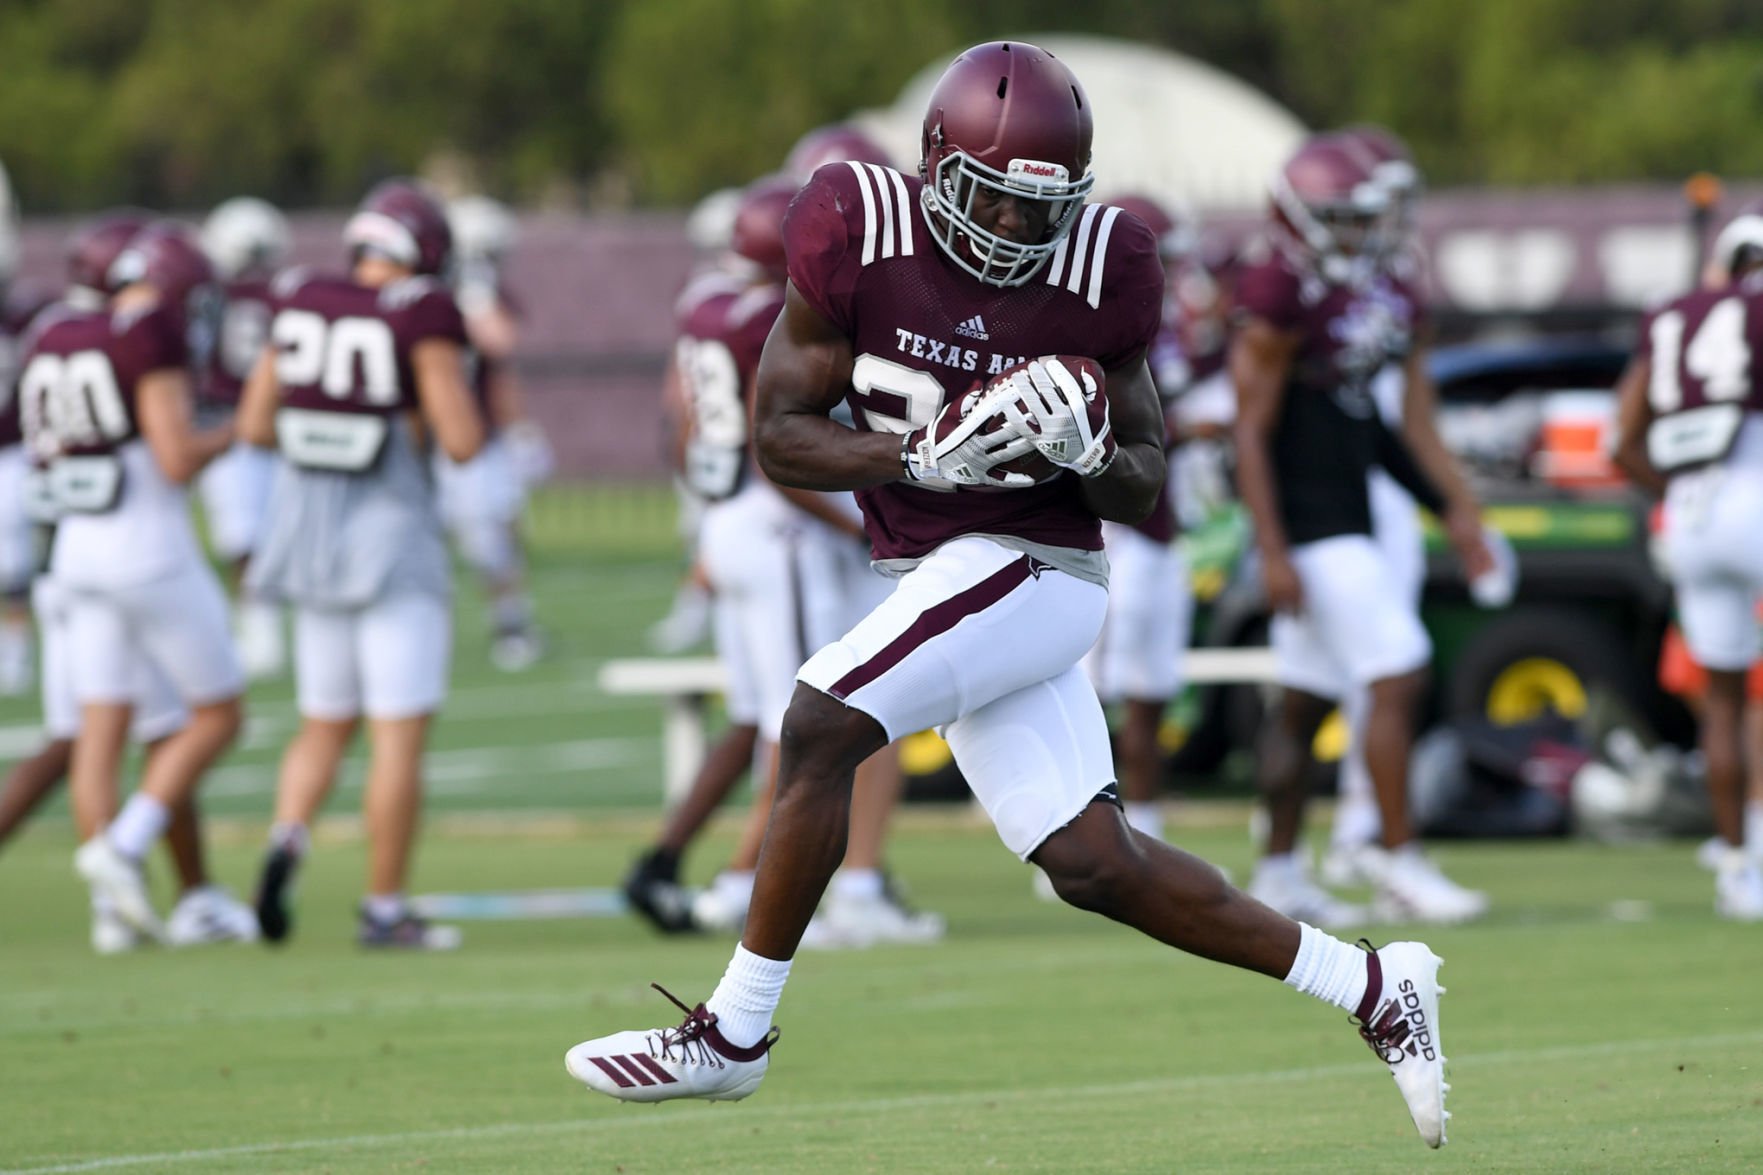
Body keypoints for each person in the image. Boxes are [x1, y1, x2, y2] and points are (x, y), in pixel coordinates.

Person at [565, 42, 1452, 1150]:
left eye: (1045, 207)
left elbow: (1139, 478)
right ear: (935, 165)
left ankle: (733, 1031)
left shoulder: (1102, 263)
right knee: (1093, 865)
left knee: (818, 716)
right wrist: (915, 454)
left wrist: (1084, 447)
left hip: (1032, 567)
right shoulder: (851, 222)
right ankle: (1371, 983)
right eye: (993, 199)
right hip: (935, 560)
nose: (1018, 232)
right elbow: (780, 436)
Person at [625, 172, 942, 948]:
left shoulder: (705, 303)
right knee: (806, 719)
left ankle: (729, 874)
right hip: (780, 527)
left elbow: (684, 428)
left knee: (775, 713)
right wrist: (856, 524)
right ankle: (748, 885)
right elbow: (781, 452)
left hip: (726, 516)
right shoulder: (773, 312)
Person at [1232, 132, 1492, 928]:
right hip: (1311, 523)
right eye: (1342, 218)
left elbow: (1371, 425)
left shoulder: (1354, 287)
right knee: (1398, 668)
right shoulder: (1279, 289)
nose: (1360, 232)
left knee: (1305, 703)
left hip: (1344, 503)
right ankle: (1392, 854)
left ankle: (1276, 869)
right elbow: (1249, 430)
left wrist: (1445, 504)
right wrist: (1272, 549)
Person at [242, 179, 484, 949]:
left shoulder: (302, 295)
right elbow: (461, 438)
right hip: (389, 539)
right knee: (395, 737)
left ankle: (287, 835)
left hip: (309, 537)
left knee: (322, 722)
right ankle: (384, 907)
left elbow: (254, 424)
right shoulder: (419, 309)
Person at [19, 222, 246, 942]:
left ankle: (109, 914)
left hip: (76, 551)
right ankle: (123, 844)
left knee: (101, 726)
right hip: (147, 547)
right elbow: (176, 457)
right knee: (217, 714)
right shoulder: (147, 331)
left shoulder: (55, 329)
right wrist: (240, 429)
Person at [1611, 204, 1763, 918]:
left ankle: (1737, 868)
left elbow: (1620, 441)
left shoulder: (1673, 314)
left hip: (1693, 515)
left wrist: (1670, 493)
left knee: (1724, 700)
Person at [440, 194, 552, 671]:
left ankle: (512, 622)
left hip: (475, 434)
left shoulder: (474, 289)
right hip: (442, 438)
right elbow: (499, 338)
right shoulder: (438, 291)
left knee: (495, 536)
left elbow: (500, 350)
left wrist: (520, 428)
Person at [199, 195, 294, 679]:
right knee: (262, 533)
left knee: (246, 537)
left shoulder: (210, 295)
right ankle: (262, 626)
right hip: (275, 425)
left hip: (229, 421)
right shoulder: (281, 293)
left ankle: (259, 626)